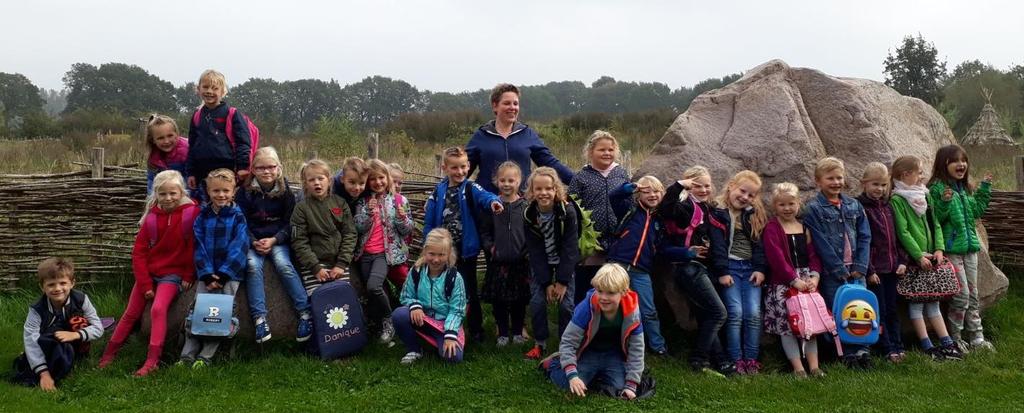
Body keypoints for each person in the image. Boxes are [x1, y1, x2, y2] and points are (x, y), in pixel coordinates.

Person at [99, 170, 198, 376]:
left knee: (158, 309)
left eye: (173, 193)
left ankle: (152, 360)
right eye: (163, 194)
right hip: (150, 273)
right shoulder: (151, 218)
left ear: (181, 192)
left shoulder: (190, 213)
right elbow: (139, 253)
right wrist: (144, 285)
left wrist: (189, 275)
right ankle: (109, 354)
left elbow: (193, 248)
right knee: (130, 313)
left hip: (173, 274)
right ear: (156, 194)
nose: (168, 198)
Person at [657, 166, 731, 375]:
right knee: (718, 313)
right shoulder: (684, 206)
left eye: (707, 185)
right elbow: (665, 209)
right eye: (698, 186)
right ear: (689, 186)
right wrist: (679, 186)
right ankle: (698, 358)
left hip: (703, 268)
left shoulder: (707, 208)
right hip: (688, 269)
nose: (704, 190)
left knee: (708, 314)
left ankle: (720, 360)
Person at [423, 146, 503, 342]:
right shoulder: (438, 190)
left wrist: (494, 202)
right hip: (444, 251)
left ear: (468, 166)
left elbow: (486, 196)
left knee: (469, 290)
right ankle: (446, 325)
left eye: (463, 167)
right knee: (445, 288)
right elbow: (430, 219)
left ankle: (476, 329)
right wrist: (428, 243)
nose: (459, 172)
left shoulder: (471, 187)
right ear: (445, 168)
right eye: (454, 168)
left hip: (466, 250)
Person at [235, 147, 312, 344]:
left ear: (279, 168)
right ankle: (260, 318)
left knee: (283, 264)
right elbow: (240, 221)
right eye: (261, 167)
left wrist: (275, 239)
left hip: (277, 239)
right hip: (253, 241)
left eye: (271, 166)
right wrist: (252, 241)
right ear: (253, 169)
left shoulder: (285, 192)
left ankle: (305, 312)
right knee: (252, 266)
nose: (267, 171)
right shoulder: (245, 193)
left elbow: (290, 222)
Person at [803, 157, 873, 369]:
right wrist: (838, 269)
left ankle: (863, 350)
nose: (836, 182)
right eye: (830, 178)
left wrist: (861, 266)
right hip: (835, 272)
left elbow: (865, 236)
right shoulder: (814, 208)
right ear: (818, 181)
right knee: (840, 311)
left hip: (857, 270)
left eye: (839, 177)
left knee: (861, 309)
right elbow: (819, 243)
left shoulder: (854, 205)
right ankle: (846, 353)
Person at [890, 155, 962, 361]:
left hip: (932, 259)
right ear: (906, 175)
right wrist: (917, 255)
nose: (923, 176)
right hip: (916, 261)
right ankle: (927, 345)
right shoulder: (898, 200)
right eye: (919, 172)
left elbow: (936, 223)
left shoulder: (925, 195)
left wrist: (939, 248)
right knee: (916, 304)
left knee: (934, 303)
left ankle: (947, 342)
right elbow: (902, 232)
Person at [540, 263, 644, 400]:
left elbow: (637, 349)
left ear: (624, 292)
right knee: (569, 385)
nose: (604, 297)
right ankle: (553, 364)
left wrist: (631, 385)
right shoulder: (586, 307)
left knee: (619, 388)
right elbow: (568, 341)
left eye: (611, 293)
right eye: (599, 291)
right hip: (588, 351)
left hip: (613, 354)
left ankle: (597, 373)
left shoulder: (632, 312)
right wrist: (572, 376)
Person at [179, 169, 249, 368]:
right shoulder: (202, 216)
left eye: (226, 190)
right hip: (207, 275)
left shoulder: (238, 217)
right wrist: (208, 275)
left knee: (220, 315)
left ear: (233, 191)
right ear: (208, 192)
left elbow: (240, 246)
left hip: (230, 274)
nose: (221, 195)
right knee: (198, 312)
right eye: (216, 191)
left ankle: (206, 356)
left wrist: (224, 274)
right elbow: (199, 246)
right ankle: (187, 355)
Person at [928, 144, 995, 353]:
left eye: (964, 160)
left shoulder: (964, 189)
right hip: (952, 251)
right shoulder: (937, 189)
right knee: (961, 295)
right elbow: (935, 218)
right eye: (956, 161)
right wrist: (945, 203)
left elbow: (976, 211)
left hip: (970, 249)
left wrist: (984, 189)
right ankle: (955, 338)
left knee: (973, 295)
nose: (961, 164)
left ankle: (977, 337)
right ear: (944, 164)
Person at [761, 182, 825, 377]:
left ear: (798, 203)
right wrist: (792, 279)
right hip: (784, 283)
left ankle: (814, 366)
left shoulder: (804, 226)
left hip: (806, 280)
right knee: (788, 327)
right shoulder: (772, 228)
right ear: (774, 206)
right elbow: (776, 258)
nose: (787, 208)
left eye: (791, 203)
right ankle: (798, 368)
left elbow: (814, 254)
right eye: (782, 205)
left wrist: (814, 276)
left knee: (810, 324)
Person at [12, 258, 103, 391]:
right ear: (42, 287)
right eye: (51, 284)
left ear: (72, 283)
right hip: (50, 341)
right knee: (39, 348)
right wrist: (44, 374)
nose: (57, 288)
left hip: (74, 338)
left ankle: (79, 355)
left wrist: (75, 335)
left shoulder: (81, 299)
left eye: (63, 283)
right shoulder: (36, 309)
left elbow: (99, 328)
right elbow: (30, 339)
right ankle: (48, 367)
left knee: (79, 323)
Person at [466, 83, 573, 194]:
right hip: (487, 205)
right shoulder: (481, 136)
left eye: (515, 104)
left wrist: (578, 181)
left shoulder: (527, 134)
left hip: (522, 204)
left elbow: (550, 162)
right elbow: (462, 169)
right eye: (507, 103)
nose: (512, 107)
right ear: (495, 106)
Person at [604, 175, 668, 355]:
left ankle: (658, 347)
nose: (652, 195)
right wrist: (629, 187)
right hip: (618, 264)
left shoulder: (660, 220)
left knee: (648, 310)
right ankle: (609, 343)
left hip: (641, 270)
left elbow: (664, 248)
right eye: (647, 191)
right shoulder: (629, 210)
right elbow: (614, 197)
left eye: (656, 191)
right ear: (638, 194)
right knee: (612, 305)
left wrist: (687, 253)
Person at [712, 170, 768, 374]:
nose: (745, 197)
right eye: (742, 191)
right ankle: (735, 359)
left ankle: (751, 359)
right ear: (731, 186)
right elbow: (717, 246)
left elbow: (761, 246)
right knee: (735, 313)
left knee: (753, 313)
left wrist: (760, 269)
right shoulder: (718, 212)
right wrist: (722, 271)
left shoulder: (754, 214)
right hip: (730, 269)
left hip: (751, 269)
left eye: (751, 195)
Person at [353, 159, 414, 346]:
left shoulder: (398, 201)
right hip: (365, 254)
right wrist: (368, 214)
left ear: (387, 178)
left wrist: (402, 218)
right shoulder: (363, 202)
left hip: (383, 254)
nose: (378, 182)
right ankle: (378, 323)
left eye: (381, 178)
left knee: (374, 286)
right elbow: (358, 227)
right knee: (371, 291)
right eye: (373, 179)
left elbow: (407, 230)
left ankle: (390, 320)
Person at [523, 167, 580, 359]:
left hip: (565, 261)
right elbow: (535, 251)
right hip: (542, 262)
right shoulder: (529, 215)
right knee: (538, 302)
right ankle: (540, 343)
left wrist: (562, 281)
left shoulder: (567, 212)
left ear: (556, 189)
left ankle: (567, 344)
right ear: (532, 191)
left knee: (566, 306)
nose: (543, 193)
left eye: (548, 188)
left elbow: (571, 248)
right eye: (538, 189)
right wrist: (547, 283)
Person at [568, 130, 631, 304]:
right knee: (587, 289)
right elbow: (572, 208)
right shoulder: (581, 177)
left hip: (618, 241)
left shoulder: (622, 174)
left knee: (614, 287)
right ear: (590, 152)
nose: (607, 153)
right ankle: (585, 325)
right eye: (601, 150)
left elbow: (630, 203)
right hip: (591, 243)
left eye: (610, 150)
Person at [856, 162, 908, 363]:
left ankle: (898, 344)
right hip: (876, 270)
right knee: (880, 310)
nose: (879, 189)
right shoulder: (861, 207)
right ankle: (886, 347)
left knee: (893, 309)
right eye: (875, 184)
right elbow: (863, 241)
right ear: (864, 183)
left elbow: (898, 236)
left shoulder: (888, 207)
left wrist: (902, 260)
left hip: (893, 267)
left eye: (883, 185)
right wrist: (869, 270)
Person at [391, 229, 467, 364]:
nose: (436, 260)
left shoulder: (455, 277)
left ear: (448, 254)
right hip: (421, 318)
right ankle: (414, 349)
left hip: (444, 324)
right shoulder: (416, 271)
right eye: (431, 254)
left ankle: (436, 341)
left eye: (441, 255)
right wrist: (415, 305)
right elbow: (405, 295)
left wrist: (450, 335)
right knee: (399, 314)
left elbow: (457, 310)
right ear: (425, 251)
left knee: (454, 358)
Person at [479, 161, 530, 347]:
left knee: (519, 300)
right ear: (496, 181)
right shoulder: (493, 205)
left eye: (511, 180)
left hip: (520, 262)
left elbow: (532, 232)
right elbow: (484, 231)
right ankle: (501, 331)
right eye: (502, 180)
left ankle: (517, 331)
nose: (507, 184)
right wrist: (490, 248)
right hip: (498, 262)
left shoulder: (526, 206)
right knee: (499, 300)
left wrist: (526, 252)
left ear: (519, 181)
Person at [291, 159, 358, 295]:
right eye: (311, 180)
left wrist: (341, 263)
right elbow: (299, 241)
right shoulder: (301, 209)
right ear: (305, 183)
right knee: (320, 301)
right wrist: (315, 268)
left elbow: (350, 233)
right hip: (314, 265)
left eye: (320, 178)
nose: (317, 183)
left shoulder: (340, 203)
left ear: (329, 180)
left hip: (339, 263)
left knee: (342, 301)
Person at [185, 70, 252, 195]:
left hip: (227, 170)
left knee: (225, 202)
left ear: (223, 92)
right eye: (205, 87)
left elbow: (243, 143)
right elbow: (192, 145)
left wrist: (243, 167)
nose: (209, 91)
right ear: (198, 89)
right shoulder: (197, 115)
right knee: (205, 206)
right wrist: (191, 172)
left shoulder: (232, 114)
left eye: (215, 88)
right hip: (202, 172)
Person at [144, 114, 189, 193]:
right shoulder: (153, 157)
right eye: (161, 138)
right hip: (167, 198)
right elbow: (152, 182)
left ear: (177, 134)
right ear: (153, 140)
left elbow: (192, 182)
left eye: (170, 136)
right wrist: (152, 202)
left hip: (187, 197)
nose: (166, 141)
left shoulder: (187, 151)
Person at [386, 162, 411, 289]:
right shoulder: (376, 199)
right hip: (378, 254)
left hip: (398, 254)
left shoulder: (402, 201)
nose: (397, 186)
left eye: (400, 183)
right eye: (393, 181)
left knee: (405, 283)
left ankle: (411, 305)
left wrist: (402, 218)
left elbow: (407, 230)